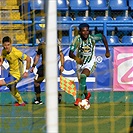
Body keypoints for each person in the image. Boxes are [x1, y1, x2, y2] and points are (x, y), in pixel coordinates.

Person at [69, 23, 110, 106]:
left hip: (90, 62)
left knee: (83, 76)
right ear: (80, 32)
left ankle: (79, 98)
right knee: (82, 82)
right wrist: (77, 59)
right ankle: (87, 95)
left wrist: (107, 50)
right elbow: (70, 53)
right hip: (79, 63)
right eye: (83, 31)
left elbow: (102, 36)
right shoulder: (77, 40)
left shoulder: (92, 38)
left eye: (87, 30)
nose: (86, 32)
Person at [0, 36, 31, 106]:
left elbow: (28, 59)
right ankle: (21, 102)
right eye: (5, 45)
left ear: (11, 44)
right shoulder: (4, 51)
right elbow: (2, 58)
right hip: (10, 73)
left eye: (8, 45)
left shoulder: (17, 53)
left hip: (17, 75)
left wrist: (26, 71)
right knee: (12, 88)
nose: (6, 47)